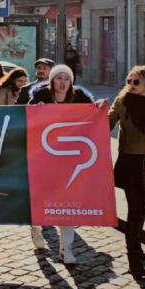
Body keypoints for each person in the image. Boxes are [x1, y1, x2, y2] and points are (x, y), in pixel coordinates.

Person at [28, 64, 100, 265]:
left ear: (71, 81)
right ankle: (36, 227)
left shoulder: (80, 98)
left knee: (67, 204)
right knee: (41, 201)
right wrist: (35, 111)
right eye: (58, 78)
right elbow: (27, 120)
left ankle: (65, 249)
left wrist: (99, 108)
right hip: (43, 158)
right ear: (52, 81)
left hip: (69, 160)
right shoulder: (40, 96)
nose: (62, 82)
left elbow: (93, 116)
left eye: (66, 78)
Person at [110, 65, 145, 279]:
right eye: (128, 81)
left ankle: (137, 248)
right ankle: (133, 260)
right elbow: (106, 123)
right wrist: (95, 112)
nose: (130, 85)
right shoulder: (122, 102)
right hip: (130, 162)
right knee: (134, 209)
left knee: (142, 208)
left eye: (135, 82)